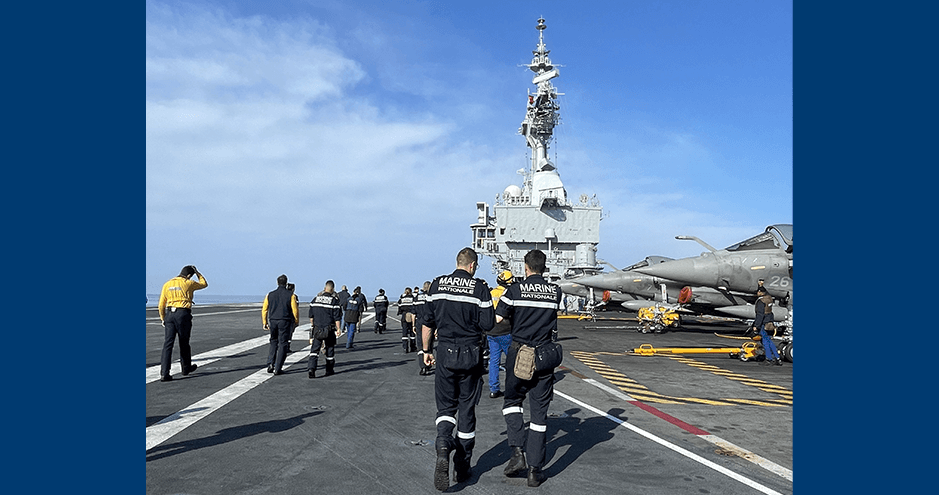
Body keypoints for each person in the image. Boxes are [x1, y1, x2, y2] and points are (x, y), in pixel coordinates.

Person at [421, 248, 494, 491]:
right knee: (467, 408)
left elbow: (427, 323)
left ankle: (443, 444)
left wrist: (426, 351)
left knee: (445, 407)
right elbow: (488, 323)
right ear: (472, 266)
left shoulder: (437, 284)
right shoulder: (480, 288)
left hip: (444, 353)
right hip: (470, 355)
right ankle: (462, 467)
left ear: (457, 263)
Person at [495, 249, 562, 487]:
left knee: (512, 402)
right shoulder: (556, 291)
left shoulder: (514, 290)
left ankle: (517, 454)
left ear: (525, 267)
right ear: (544, 267)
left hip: (520, 353)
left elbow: (498, 318)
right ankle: (535, 470)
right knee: (539, 413)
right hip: (544, 354)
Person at [158, 265, 208, 382]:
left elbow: (161, 305)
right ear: (189, 275)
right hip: (183, 313)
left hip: (170, 314)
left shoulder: (167, 284)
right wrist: (198, 273)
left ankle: (164, 373)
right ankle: (185, 368)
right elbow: (204, 284)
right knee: (184, 342)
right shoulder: (188, 283)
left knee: (168, 344)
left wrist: (163, 318)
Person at [262, 274, 300, 375]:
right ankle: (278, 368)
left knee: (273, 341)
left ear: (277, 283)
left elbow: (265, 309)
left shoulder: (270, 294)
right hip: (285, 321)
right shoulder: (291, 295)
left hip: (273, 320)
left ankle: (270, 363)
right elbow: (295, 310)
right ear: (286, 283)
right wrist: (296, 321)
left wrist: (265, 322)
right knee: (283, 343)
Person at [487, 270, 515, 398]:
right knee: (512, 361)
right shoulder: (508, 294)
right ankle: (512, 387)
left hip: (492, 331)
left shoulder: (491, 292)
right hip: (506, 331)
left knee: (494, 361)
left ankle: (494, 389)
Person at [308, 280, 343, 378]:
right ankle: (329, 369)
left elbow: (311, 316)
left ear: (325, 288)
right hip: (329, 329)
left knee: (314, 350)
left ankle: (311, 368)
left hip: (317, 328)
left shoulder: (315, 300)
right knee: (330, 350)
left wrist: (313, 326)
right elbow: (337, 317)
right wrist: (339, 329)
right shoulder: (334, 301)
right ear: (332, 289)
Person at [753, 286, 782, 366]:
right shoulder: (769, 299)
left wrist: (756, 325)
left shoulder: (761, 301)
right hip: (770, 322)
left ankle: (768, 359)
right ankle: (777, 358)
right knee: (769, 341)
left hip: (763, 323)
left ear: (760, 292)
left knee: (765, 341)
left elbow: (760, 314)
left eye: (758, 292)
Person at [415, 281, 434, 375]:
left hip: (419, 321)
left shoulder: (417, 297)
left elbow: (413, 313)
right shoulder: (431, 297)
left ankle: (422, 366)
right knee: (429, 344)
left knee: (420, 345)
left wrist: (413, 325)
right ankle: (428, 363)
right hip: (430, 322)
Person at [397, 287, 416, 353]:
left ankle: (405, 347)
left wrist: (399, 312)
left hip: (404, 315)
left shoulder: (402, 298)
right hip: (411, 315)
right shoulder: (413, 298)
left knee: (404, 332)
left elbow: (399, 305)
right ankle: (413, 346)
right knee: (412, 332)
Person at [285, 283, 298, 353]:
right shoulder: (294, 296)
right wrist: (296, 320)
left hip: (284, 317)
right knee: (289, 334)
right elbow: (295, 309)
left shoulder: (284, 296)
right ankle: (287, 346)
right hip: (290, 318)